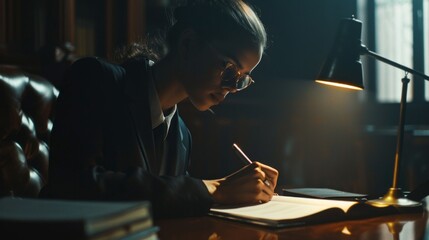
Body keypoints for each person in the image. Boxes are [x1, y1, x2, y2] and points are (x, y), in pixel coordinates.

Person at [40, 0, 279, 218]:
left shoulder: (182, 136)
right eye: (230, 70)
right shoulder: (94, 79)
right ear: (188, 44)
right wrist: (213, 188)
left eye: (242, 80)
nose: (233, 88)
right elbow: (74, 186)